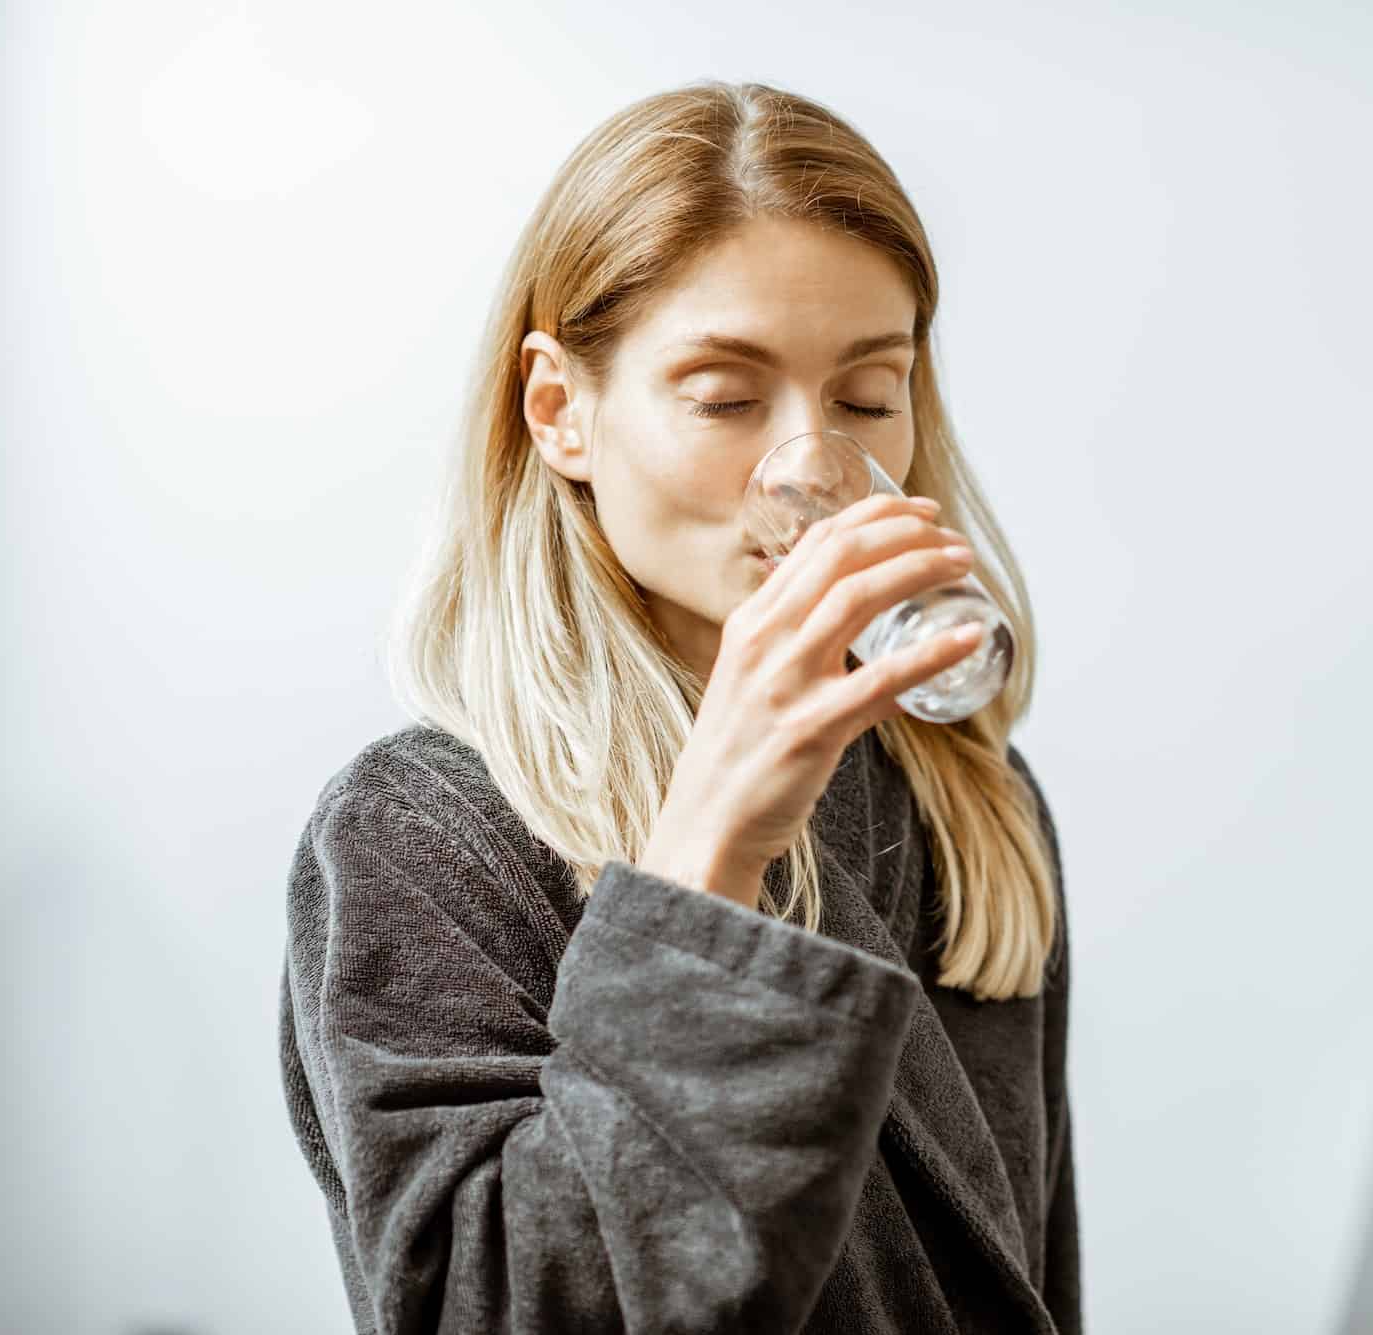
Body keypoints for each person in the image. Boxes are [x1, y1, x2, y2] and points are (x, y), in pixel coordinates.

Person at [276, 79, 1079, 1334]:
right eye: (721, 398)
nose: (811, 466)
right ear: (560, 411)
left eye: (869, 398)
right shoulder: (424, 838)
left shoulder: (964, 796)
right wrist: (706, 857)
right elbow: (502, 1311)